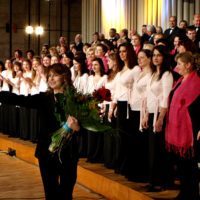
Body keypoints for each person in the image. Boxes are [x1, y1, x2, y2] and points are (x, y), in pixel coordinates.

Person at [0, 63, 81, 200]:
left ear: (65, 77)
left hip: (68, 154)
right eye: (49, 76)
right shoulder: (44, 98)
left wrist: (77, 128)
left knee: (66, 193)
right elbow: (18, 99)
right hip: (46, 153)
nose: (51, 78)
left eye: (55, 75)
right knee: (50, 193)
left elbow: (85, 129)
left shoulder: (76, 100)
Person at [165, 52, 200, 200]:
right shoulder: (180, 80)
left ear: (188, 65)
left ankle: (191, 194)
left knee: (189, 165)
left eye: (179, 64)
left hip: (191, 130)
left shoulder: (197, 81)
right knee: (181, 164)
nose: (176, 66)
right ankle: (185, 192)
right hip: (177, 129)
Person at [142, 45, 174, 191]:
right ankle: (153, 179)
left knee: (159, 149)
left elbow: (166, 98)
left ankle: (161, 181)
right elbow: (149, 96)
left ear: (164, 57)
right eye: (154, 55)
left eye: (159, 55)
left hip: (160, 115)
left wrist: (160, 118)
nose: (155, 57)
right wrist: (146, 115)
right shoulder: (154, 74)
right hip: (151, 113)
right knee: (152, 149)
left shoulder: (167, 74)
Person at [127, 49, 152, 182]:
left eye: (142, 58)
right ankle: (135, 171)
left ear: (149, 58)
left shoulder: (151, 74)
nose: (139, 60)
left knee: (141, 142)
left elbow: (149, 95)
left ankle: (142, 173)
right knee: (134, 142)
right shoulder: (141, 73)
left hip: (142, 111)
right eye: (138, 58)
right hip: (134, 109)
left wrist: (146, 113)